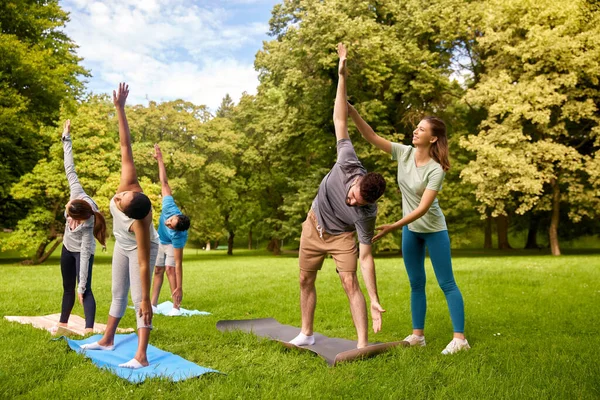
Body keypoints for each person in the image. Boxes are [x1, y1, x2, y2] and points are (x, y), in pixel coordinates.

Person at [348, 103, 470, 354]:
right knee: (416, 283)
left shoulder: (436, 170)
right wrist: (352, 112)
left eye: (421, 129)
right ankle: (418, 335)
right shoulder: (403, 153)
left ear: (433, 138)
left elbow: (423, 208)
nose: (415, 131)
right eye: (416, 127)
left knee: (447, 283)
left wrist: (393, 225)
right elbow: (370, 136)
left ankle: (460, 339)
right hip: (411, 231)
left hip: (434, 230)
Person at [289, 43, 387, 349]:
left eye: (360, 203)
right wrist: (342, 72)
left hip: (342, 237)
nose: (353, 202)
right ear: (357, 181)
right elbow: (340, 120)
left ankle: (361, 344)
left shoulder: (366, 215)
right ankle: (307, 332)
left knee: (349, 282)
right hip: (314, 224)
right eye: (355, 196)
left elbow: (367, 257)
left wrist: (375, 299)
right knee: (305, 279)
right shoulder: (348, 162)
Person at [81, 83, 160, 369]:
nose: (117, 196)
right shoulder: (130, 182)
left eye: (120, 202)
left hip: (140, 250)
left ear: (132, 214)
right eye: (121, 197)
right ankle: (107, 339)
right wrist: (120, 109)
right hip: (120, 246)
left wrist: (148, 300)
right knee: (117, 293)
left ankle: (142, 355)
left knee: (139, 300)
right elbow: (125, 145)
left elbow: (142, 263)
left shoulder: (141, 223)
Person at [55, 119, 107, 335]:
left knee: (83, 290)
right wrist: (66, 137)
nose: (66, 211)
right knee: (67, 288)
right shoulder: (76, 192)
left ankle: (88, 329)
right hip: (67, 247)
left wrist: (82, 286)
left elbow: (85, 256)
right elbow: (70, 167)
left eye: (69, 212)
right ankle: (63, 324)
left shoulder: (88, 224)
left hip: (81, 251)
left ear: (80, 218)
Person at [150, 144, 190, 316]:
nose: (167, 223)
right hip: (160, 240)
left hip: (170, 244)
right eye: (170, 222)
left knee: (170, 269)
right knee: (158, 269)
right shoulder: (169, 206)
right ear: (175, 216)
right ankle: (153, 304)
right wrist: (160, 160)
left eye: (170, 225)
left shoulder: (179, 236)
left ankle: (176, 307)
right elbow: (164, 182)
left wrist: (180, 287)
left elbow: (179, 264)